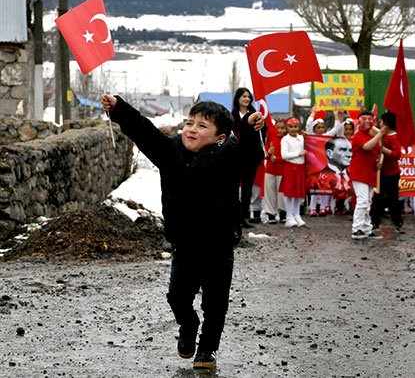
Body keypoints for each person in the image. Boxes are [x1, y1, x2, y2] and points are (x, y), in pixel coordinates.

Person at [101, 94, 262, 371]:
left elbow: (252, 155)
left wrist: (249, 126)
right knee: (177, 295)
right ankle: (188, 324)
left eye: (202, 126)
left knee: (215, 303)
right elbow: (144, 130)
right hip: (184, 243)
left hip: (218, 244)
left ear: (220, 136)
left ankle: (207, 349)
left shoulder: (229, 156)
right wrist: (119, 108)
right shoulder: (170, 152)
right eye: (190, 122)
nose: (192, 129)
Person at [230, 88, 264, 228]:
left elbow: (261, 134)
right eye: (243, 96)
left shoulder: (255, 115)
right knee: (232, 188)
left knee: (247, 189)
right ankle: (232, 217)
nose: (246, 99)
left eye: (248, 96)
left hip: (250, 158)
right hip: (234, 157)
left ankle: (243, 217)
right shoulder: (231, 116)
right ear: (238, 98)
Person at [349, 111, 384, 238]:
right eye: (364, 120)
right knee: (362, 200)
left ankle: (366, 228)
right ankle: (356, 228)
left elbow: (378, 151)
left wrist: (379, 162)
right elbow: (367, 147)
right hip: (359, 172)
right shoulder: (358, 136)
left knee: (368, 201)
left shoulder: (371, 136)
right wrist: (380, 134)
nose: (367, 123)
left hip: (370, 172)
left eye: (370, 120)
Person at [370, 111, 405, 234]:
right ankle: (374, 222)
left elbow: (397, 155)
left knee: (393, 199)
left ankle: (398, 223)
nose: (379, 124)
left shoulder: (394, 137)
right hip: (380, 173)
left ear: (386, 124)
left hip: (392, 174)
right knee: (377, 199)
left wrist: (382, 149)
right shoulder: (381, 135)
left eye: (381, 121)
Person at [279, 117, 307, 227]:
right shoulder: (285, 139)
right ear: (287, 127)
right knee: (289, 193)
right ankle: (289, 217)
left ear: (298, 127)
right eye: (291, 127)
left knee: (298, 194)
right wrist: (298, 154)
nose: (293, 129)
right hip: (290, 167)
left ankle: (297, 215)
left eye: (295, 127)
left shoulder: (301, 138)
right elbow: (284, 155)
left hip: (300, 168)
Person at [261, 119, 285, 224]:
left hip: (282, 170)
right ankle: (270, 214)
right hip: (270, 169)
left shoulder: (286, 140)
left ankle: (283, 213)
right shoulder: (270, 139)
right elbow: (264, 154)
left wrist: (278, 159)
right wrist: (268, 152)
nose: (279, 130)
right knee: (269, 192)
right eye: (277, 127)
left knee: (281, 194)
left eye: (282, 128)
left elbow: (288, 155)